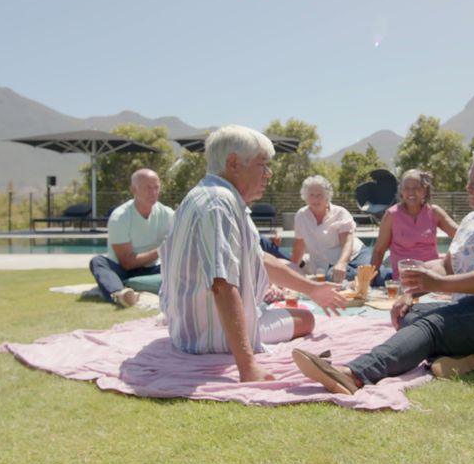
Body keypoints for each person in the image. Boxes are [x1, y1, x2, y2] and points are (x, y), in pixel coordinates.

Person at [292, 146, 474, 394]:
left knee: (433, 325)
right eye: (470, 180)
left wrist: (439, 285)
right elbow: (448, 265)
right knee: (409, 314)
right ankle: (466, 359)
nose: (468, 187)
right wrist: (412, 291)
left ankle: (354, 374)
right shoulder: (472, 220)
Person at [160, 125, 347, 382]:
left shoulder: (210, 196)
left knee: (302, 314)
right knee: (306, 319)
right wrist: (248, 367)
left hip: (189, 328)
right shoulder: (219, 204)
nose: (269, 174)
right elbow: (222, 284)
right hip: (210, 337)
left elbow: (260, 259)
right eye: (263, 165)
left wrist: (313, 289)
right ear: (233, 163)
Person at [89, 169, 175, 307]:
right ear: (133, 190)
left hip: (154, 267)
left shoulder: (168, 214)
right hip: (122, 268)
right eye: (148, 188)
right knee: (98, 262)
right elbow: (126, 262)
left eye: (156, 188)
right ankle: (119, 294)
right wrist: (162, 250)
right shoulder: (120, 217)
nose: (153, 193)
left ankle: (124, 285)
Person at [369, 169, 458, 282]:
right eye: (406, 188)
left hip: (433, 276)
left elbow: (460, 235)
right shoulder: (391, 215)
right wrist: (368, 281)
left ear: (424, 191)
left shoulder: (434, 212)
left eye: (416, 188)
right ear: (401, 191)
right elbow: (379, 251)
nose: (411, 192)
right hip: (405, 278)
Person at [291, 175, 372, 283]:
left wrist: (342, 263)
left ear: (327, 196)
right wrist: (291, 270)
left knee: (367, 274)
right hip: (327, 267)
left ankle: (368, 276)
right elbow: (299, 246)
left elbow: (347, 242)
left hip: (355, 256)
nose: (315, 199)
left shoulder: (340, 213)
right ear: (305, 196)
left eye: (319, 195)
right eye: (312, 195)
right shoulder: (301, 216)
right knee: (331, 278)